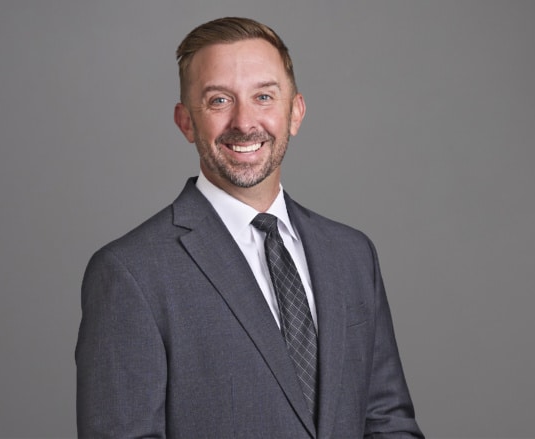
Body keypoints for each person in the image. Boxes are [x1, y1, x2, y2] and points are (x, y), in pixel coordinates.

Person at [75, 17, 425, 438]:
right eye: (219, 101)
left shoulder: (352, 256)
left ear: (294, 112)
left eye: (263, 96)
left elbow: (387, 421)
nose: (244, 122)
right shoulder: (131, 273)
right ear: (186, 121)